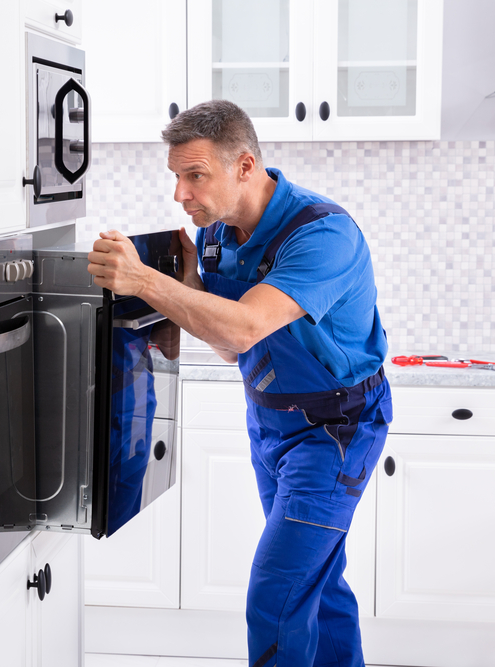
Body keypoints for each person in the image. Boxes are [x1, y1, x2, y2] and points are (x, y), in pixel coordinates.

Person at [87, 99, 391, 667]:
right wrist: (190, 284)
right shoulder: (217, 237)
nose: (181, 193)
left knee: (277, 592)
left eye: (195, 175)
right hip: (270, 423)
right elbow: (230, 349)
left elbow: (248, 326)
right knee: (317, 584)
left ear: (245, 166)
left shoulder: (323, 234)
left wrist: (146, 280)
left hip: (337, 431)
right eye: (177, 177)